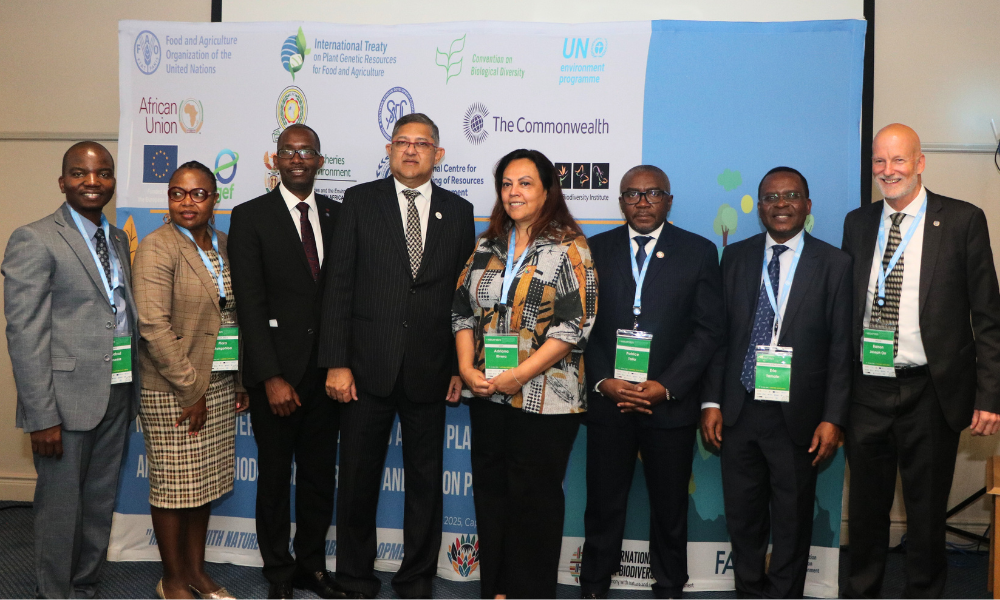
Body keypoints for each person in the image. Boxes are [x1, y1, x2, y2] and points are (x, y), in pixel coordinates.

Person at [841, 123, 1000, 598]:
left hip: (931, 390)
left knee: (926, 513)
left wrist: (990, 395)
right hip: (867, 388)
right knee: (865, 511)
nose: (888, 170)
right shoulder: (857, 223)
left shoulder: (963, 220)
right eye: (879, 161)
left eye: (898, 160)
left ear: (920, 163)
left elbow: (988, 317)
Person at [320, 113, 475, 599]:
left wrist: (459, 366)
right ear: (389, 150)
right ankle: (355, 575)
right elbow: (338, 285)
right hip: (366, 369)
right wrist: (337, 362)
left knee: (426, 482)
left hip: (431, 369)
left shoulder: (460, 210)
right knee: (358, 478)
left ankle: (416, 577)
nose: (411, 151)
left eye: (421, 143)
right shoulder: (360, 201)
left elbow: (463, 298)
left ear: (438, 154)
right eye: (402, 142)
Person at [700, 167, 852, 598]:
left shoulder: (835, 264)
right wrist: (711, 402)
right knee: (743, 519)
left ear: (807, 205)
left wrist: (833, 418)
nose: (781, 204)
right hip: (739, 410)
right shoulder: (735, 257)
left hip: (799, 416)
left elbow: (842, 349)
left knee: (792, 520)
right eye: (770, 197)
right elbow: (719, 338)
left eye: (791, 196)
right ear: (760, 207)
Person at [452, 148, 597, 599]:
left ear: (547, 190)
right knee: (492, 495)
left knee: (533, 502)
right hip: (487, 392)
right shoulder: (488, 245)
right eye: (506, 184)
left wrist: (519, 375)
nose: (514, 192)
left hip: (546, 398)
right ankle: (496, 590)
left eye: (525, 183)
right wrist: (465, 368)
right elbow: (461, 311)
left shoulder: (570, 246)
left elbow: (574, 326)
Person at [2, 141, 140, 599]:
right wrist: (42, 416)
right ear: (62, 182)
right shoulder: (35, 238)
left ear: (113, 181)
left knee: (99, 501)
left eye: (102, 173)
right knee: (61, 509)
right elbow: (25, 333)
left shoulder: (116, 238)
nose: (92, 181)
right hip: (63, 401)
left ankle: (84, 585)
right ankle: (55, 593)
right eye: (79, 173)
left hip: (116, 388)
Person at [580, 165, 723, 599]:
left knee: (670, 507)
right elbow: (582, 325)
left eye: (653, 193)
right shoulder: (593, 249)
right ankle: (593, 585)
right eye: (633, 194)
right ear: (621, 201)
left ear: (669, 201)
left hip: (669, 404)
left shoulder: (698, 251)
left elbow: (708, 330)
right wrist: (602, 380)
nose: (642, 202)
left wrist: (667, 385)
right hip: (610, 402)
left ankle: (669, 586)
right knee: (603, 504)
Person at [228, 124, 344, 600]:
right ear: (274, 160)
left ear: (319, 161)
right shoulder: (249, 216)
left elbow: (343, 296)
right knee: (275, 479)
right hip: (275, 377)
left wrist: (340, 364)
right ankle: (278, 570)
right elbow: (250, 305)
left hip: (327, 376)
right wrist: (271, 377)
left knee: (318, 479)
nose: (297, 158)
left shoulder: (339, 215)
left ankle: (311, 567)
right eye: (288, 151)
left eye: (306, 151)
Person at [132, 161, 249, 599]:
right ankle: (173, 579)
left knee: (204, 484)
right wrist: (191, 389)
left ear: (215, 199)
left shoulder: (223, 244)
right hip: (174, 388)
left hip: (218, 383)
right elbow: (153, 327)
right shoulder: (157, 247)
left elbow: (233, 318)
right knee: (173, 488)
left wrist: (238, 381)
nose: (187, 202)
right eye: (177, 193)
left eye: (198, 193)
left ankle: (197, 573)